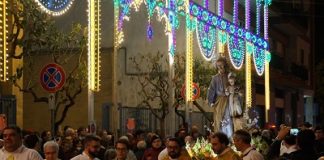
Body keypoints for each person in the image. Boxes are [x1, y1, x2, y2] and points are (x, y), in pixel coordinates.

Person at [207, 57, 233, 136]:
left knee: (228, 117)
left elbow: (234, 86)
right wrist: (211, 101)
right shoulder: (215, 78)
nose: (220, 67)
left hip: (229, 100)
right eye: (218, 66)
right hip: (219, 101)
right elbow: (211, 89)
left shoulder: (229, 76)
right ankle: (220, 135)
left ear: (225, 65)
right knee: (219, 119)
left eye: (222, 65)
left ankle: (230, 135)